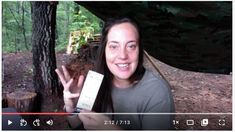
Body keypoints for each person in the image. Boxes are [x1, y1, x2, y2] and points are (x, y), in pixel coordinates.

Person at [55, 17, 175, 130]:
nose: (123, 55)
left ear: (140, 50)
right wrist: (72, 108)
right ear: (104, 51)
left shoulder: (157, 92)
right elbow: (78, 126)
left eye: (131, 46)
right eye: (114, 46)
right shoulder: (94, 81)